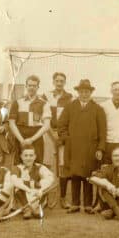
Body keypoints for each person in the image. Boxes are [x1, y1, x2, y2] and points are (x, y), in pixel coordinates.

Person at [57, 79, 106, 214]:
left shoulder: (98, 109)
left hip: (91, 148)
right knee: (75, 175)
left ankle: (88, 205)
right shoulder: (70, 107)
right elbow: (61, 125)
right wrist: (67, 138)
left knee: (88, 176)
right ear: (78, 92)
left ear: (90, 93)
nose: (84, 94)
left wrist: (100, 148)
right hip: (73, 148)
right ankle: (75, 204)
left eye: (87, 92)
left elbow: (103, 131)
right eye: (82, 91)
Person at [8, 75, 50, 165]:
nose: (32, 88)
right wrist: (21, 140)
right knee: (19, 164)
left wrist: (32, 139)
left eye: (34, 86)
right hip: (20, 135)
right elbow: (11, 123)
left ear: (38, 87)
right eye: (30, 85)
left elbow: (46, 125)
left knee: (37, 164)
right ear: (26, 86)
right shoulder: (17, 102)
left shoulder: (44, 103)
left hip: (36, 136)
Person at [45, 72, 73, 207]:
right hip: (48, 133)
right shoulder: (46, 96)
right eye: (57, 80)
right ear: (53, 81)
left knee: (62, 166)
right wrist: (52, 133)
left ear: (65, 83)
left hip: (63, 136)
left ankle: (62, 197)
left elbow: (70, 119)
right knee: (47, 165)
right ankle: (45, 197)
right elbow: (44, 117)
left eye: (62, 81)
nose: (59, 83)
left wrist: (62, 136)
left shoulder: (69, 98)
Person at [10, 144, 56, 219]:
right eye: (26, 155)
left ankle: (38, 208)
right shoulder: (17, 168)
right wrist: (29, 189)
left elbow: (50, 178)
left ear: (35, 157)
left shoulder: (40, 167)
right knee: (17, 186)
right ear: (21, 156)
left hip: (37, 197)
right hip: (23, 200)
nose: (28, 158)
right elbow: (14, 181)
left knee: (45, 186)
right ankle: (27, 209)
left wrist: (41, 189)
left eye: (31, 155)